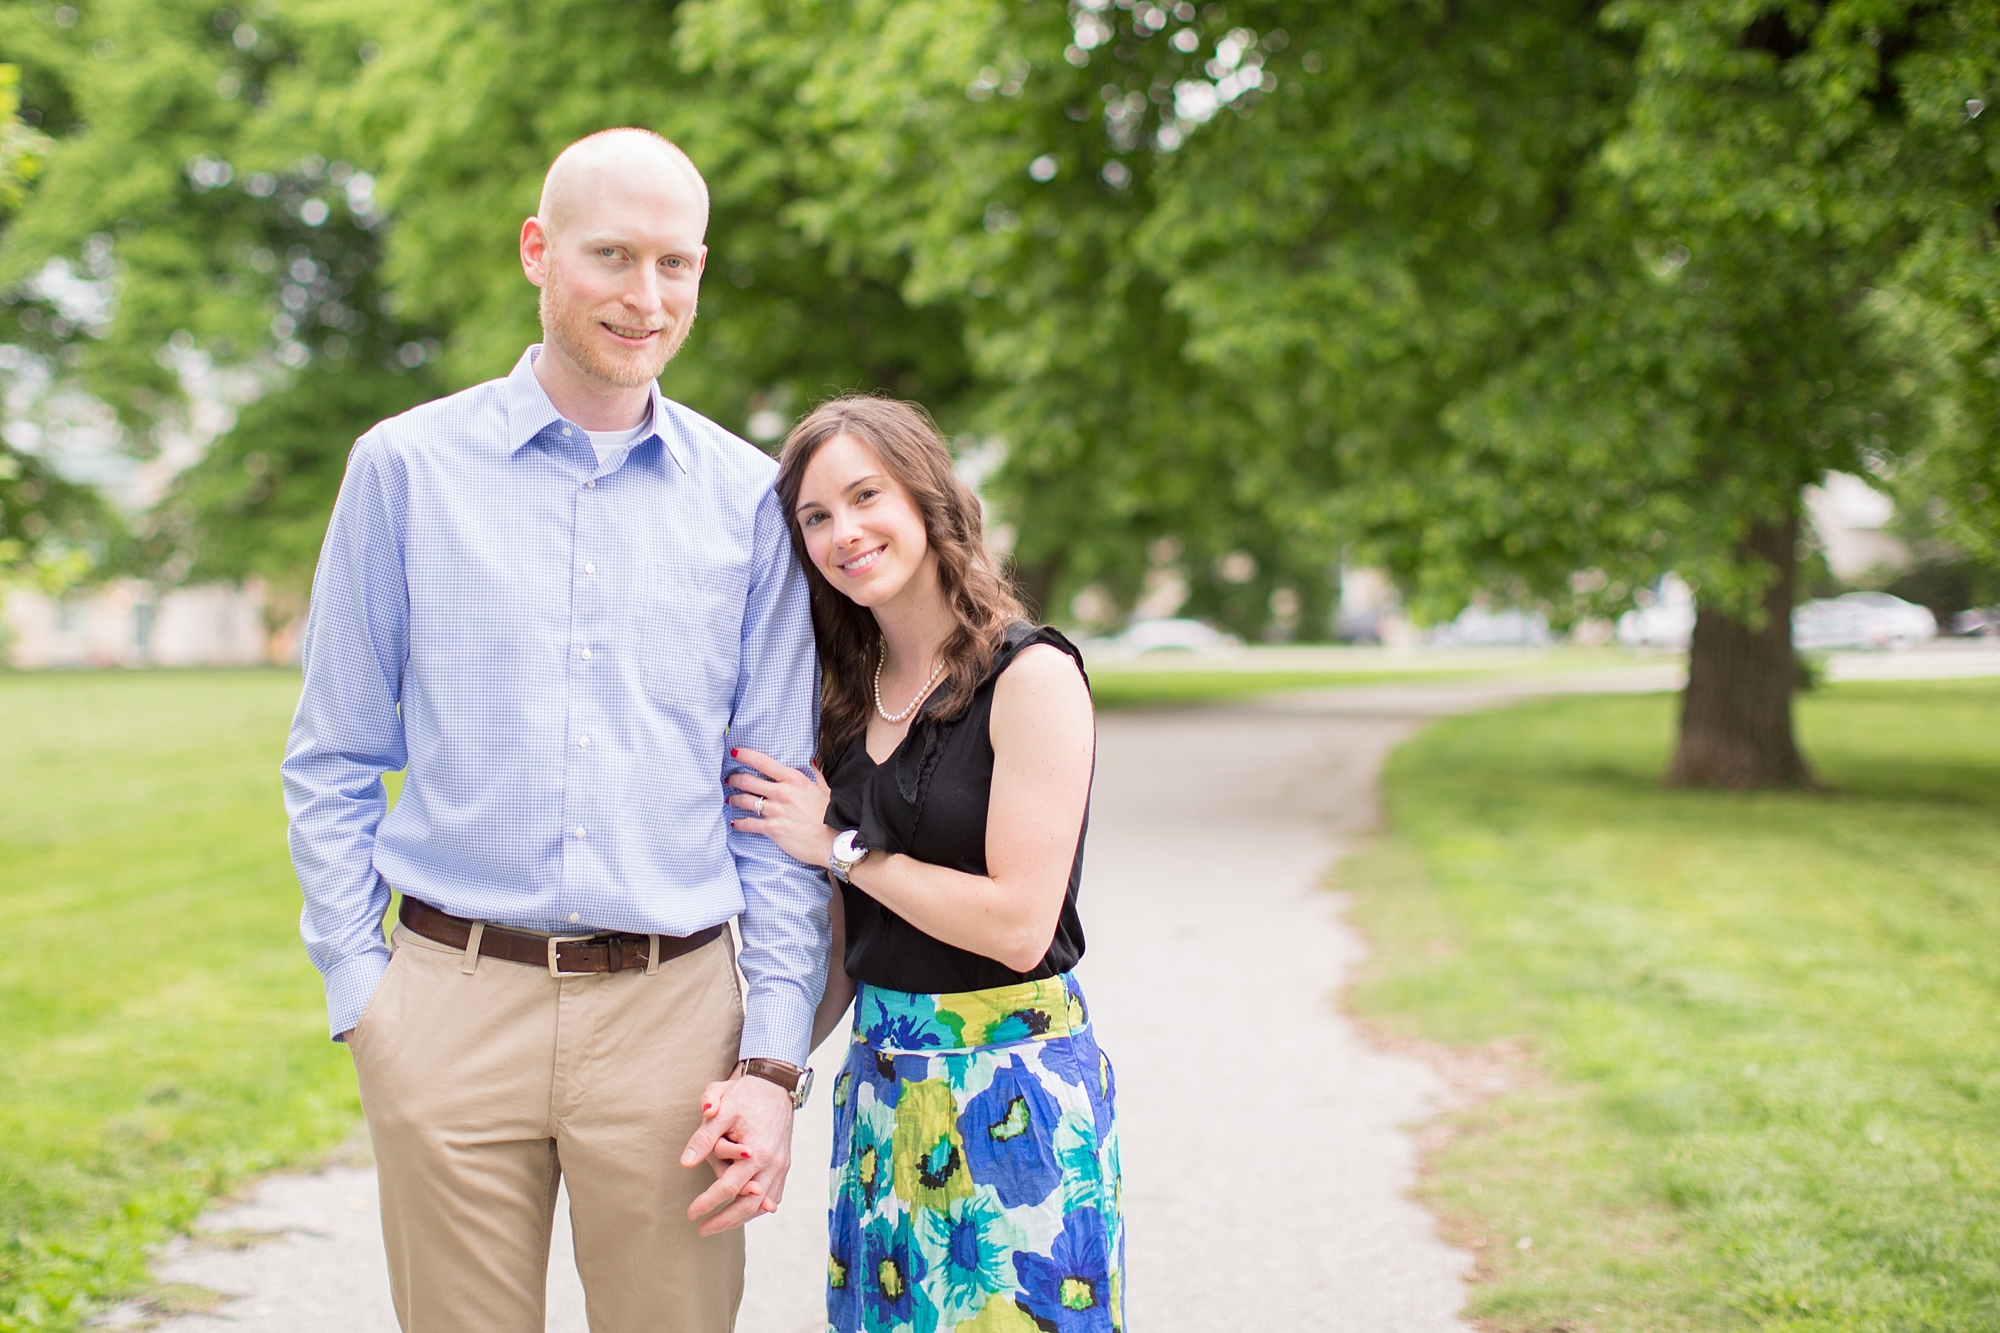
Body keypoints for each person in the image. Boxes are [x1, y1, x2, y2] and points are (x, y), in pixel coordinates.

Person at [281, 128, 829, 1333]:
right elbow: (332, 754)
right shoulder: (403, 470)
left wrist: (773, 1055)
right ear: (538, 252)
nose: (646, 297)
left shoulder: (748, 500)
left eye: (676, 264)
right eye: (611, 256)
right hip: (446, 1003)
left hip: (673, 1016)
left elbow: (773, 800)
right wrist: (361, 988)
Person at [710, 396, 1125, 1333]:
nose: (843, 532)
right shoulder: (846, 705)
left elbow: (1020, 925)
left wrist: (843, 849)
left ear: (928, 499)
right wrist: (761, 1076)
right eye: (815, 517)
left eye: (867, 496)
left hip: (1014, 1094)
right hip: (885, 1097)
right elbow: (851, 950)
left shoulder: (1033, 677)